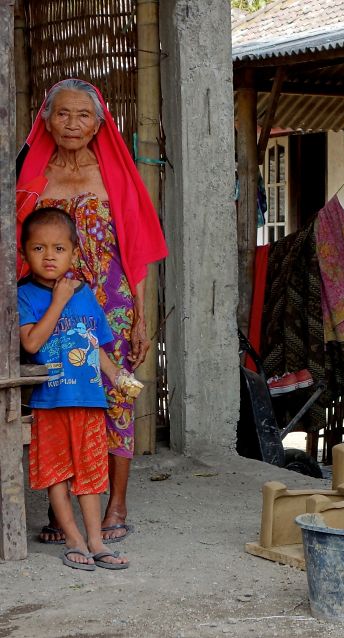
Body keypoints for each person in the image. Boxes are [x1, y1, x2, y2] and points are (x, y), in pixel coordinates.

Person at [16, 78, 167, 543]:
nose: (72, 124)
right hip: (50, 305)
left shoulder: (114, 175)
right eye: (62, 113)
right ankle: (59, 508)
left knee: (117, 396)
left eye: (83, 115)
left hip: (113, 304)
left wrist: (140, 316)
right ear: (46, 120)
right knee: (58, 398)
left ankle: (116, 504)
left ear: (99, 124)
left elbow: (136, 252)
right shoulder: (31, 177)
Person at [18, 208, 131, 570]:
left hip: (89, 399)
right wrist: (59, 301)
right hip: (50, 401)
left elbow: (93, 344)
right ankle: (73, 539)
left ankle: (95, 541)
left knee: (91, 474)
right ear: (24, 253)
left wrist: (116, 375)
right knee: (57, 473)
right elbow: (32, 343)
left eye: (59, 248)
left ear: (74, 253)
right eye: (38, 248)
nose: (49, 256)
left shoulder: (85, 294)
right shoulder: (24, 295)